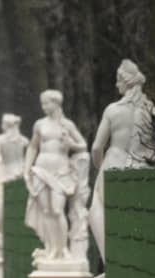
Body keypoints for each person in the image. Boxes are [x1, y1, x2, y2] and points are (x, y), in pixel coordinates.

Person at [89, 59, 155, 278]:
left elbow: (97, 147)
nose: (116, 84)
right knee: (133, 221)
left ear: (124, 82)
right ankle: (136, 266)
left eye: (118, 80)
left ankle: (113, 265)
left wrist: (99, 166)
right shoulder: (149, 109)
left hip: (114, 164)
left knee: (97, 214)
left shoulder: (113, 110)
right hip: (141, 166)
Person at [23, 89, 90, 261]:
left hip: (60, 171)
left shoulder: (66, 125)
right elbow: (32, 147)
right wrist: (26, 169)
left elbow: (83, 145)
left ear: (56, 103)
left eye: (46, 103)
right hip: (41, 169)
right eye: (42, 103)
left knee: (58, 210)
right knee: (46, 210)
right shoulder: (39, 125)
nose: (44, 106)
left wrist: (70, 143)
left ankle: (63, 248)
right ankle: (51, 248)